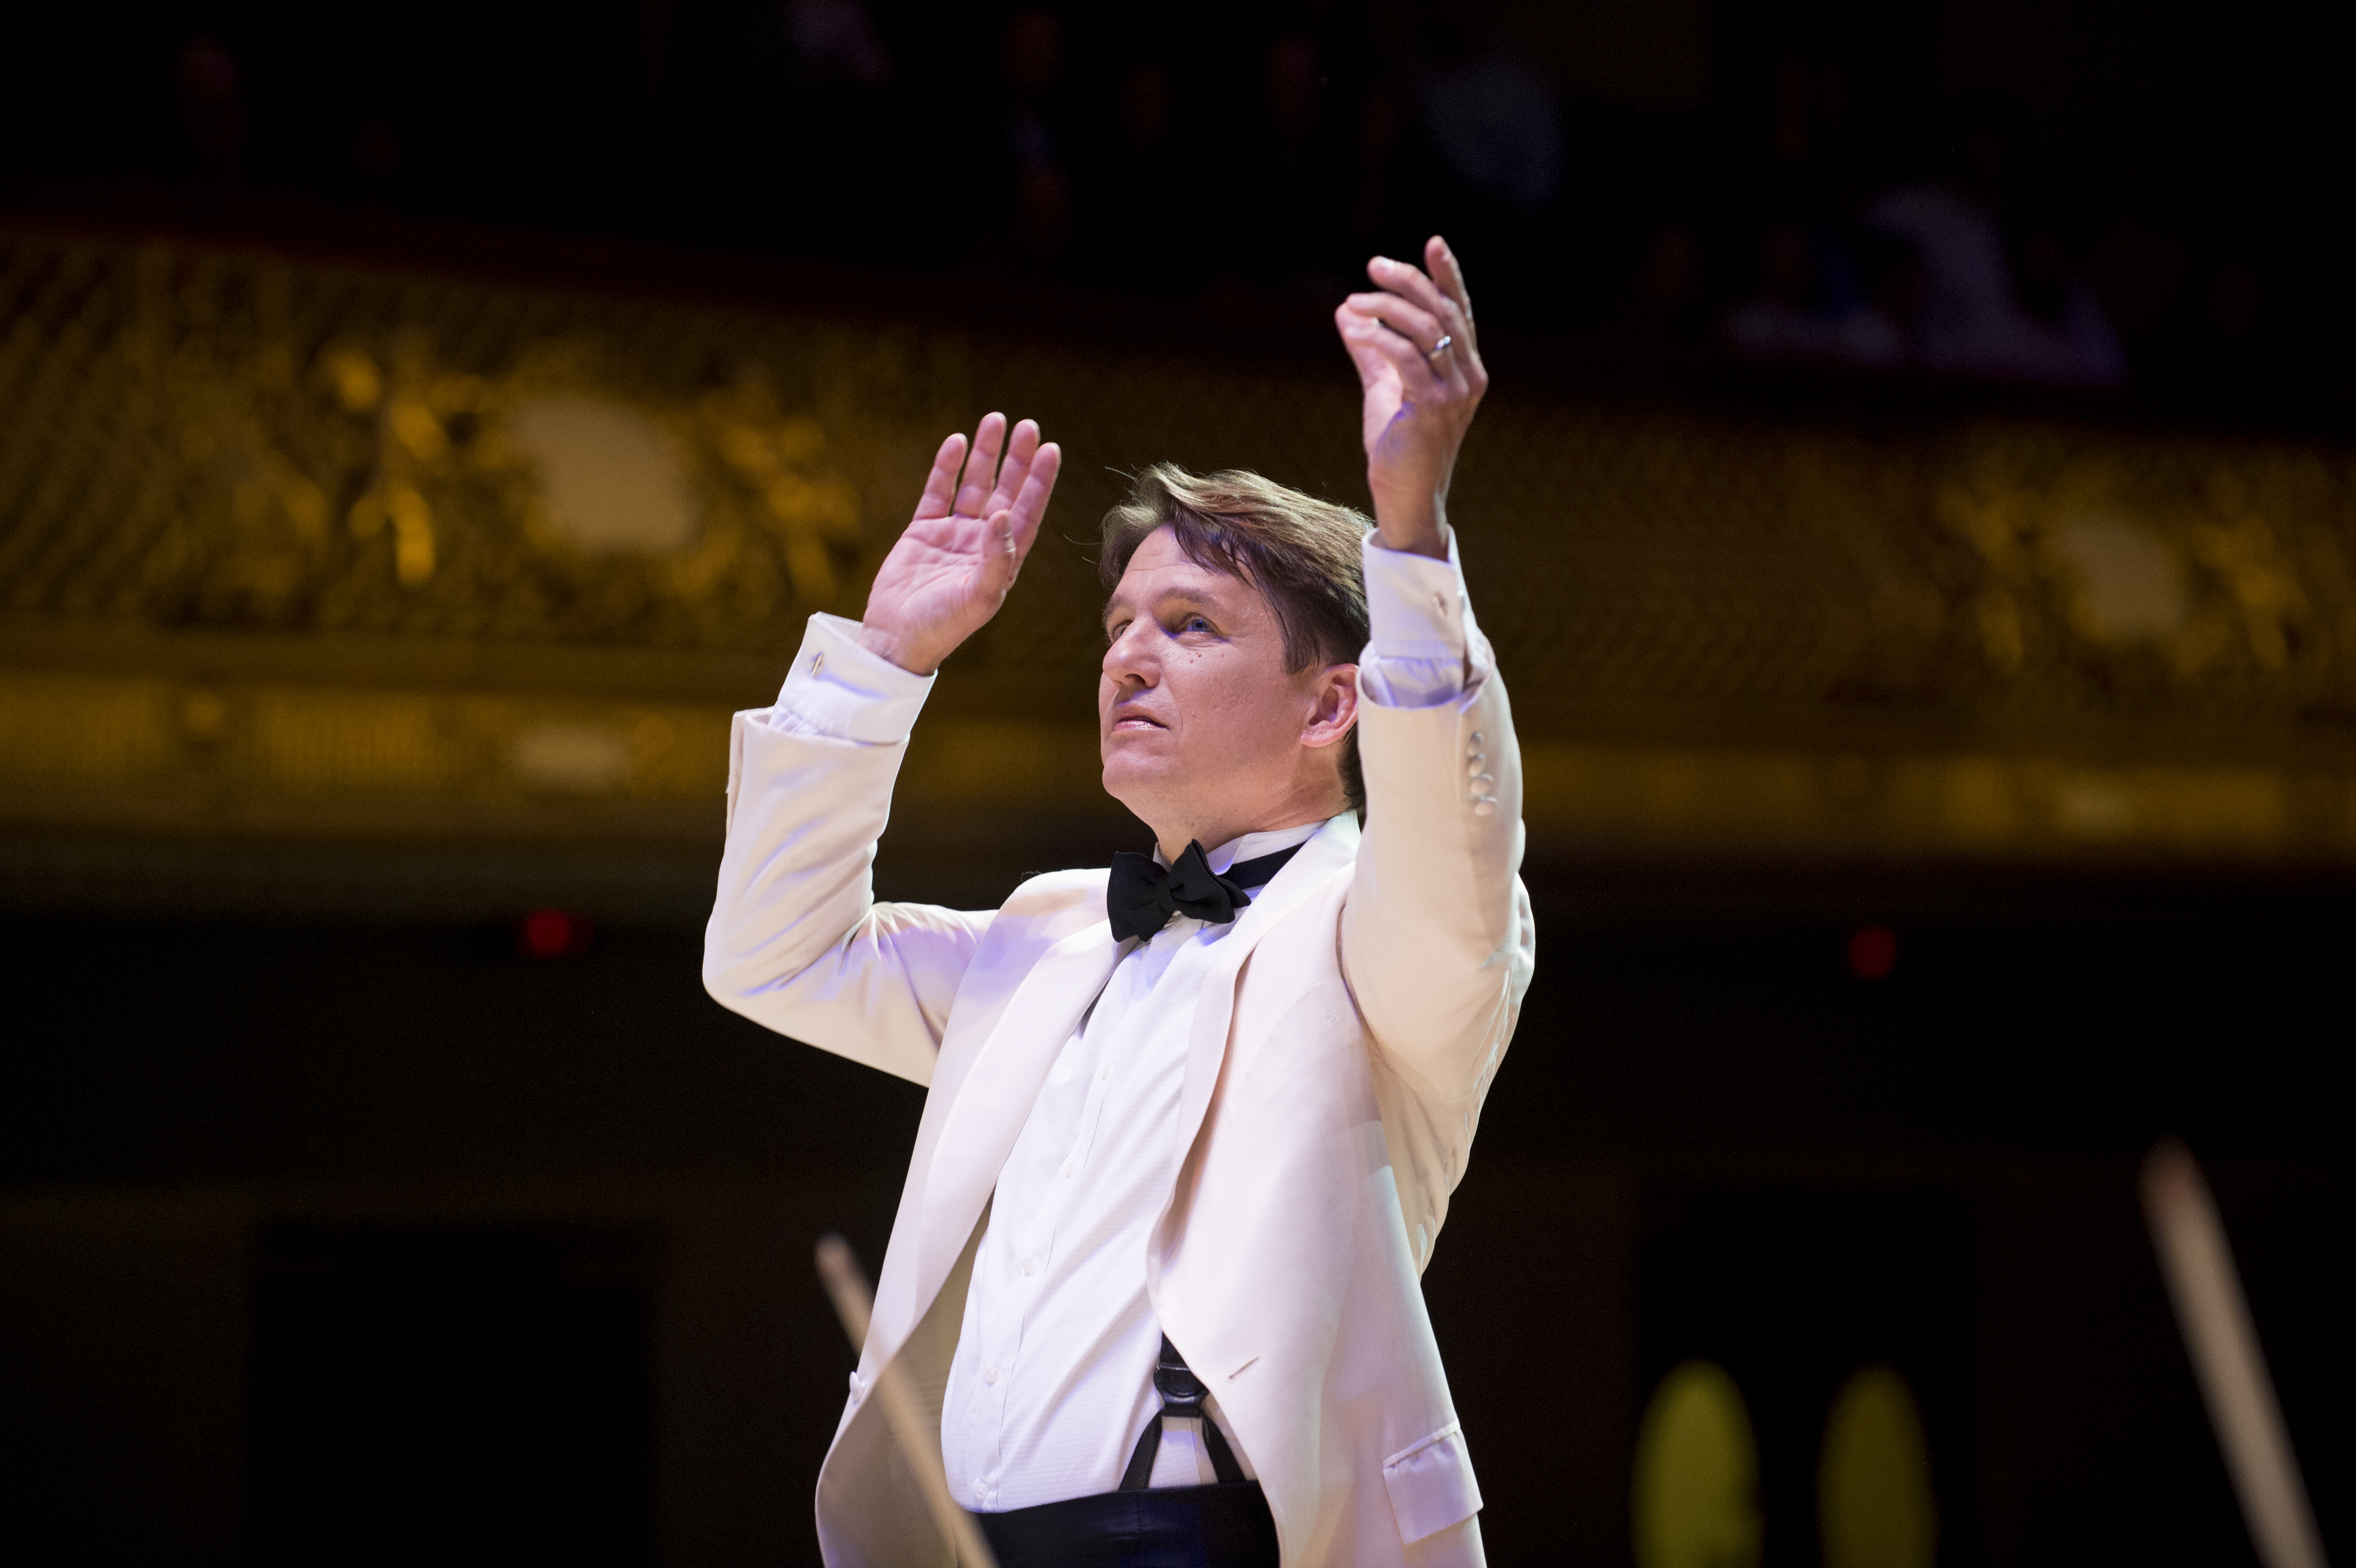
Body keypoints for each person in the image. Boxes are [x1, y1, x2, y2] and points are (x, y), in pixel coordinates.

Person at [703, 236, 1533, 1568]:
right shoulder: (1049, 929)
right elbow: (771, 956)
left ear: (1334, 704)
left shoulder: (1385, 936)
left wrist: (1412, 532)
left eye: (1191, 626)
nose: (1130, 657)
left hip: (1209, 1540)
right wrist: (886, 658)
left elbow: (1455, 828)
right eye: (1119, 629)